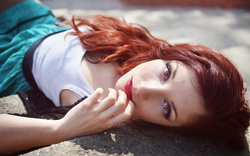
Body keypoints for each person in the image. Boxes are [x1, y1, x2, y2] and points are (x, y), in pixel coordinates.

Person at [0, 0, 249, 154]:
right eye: (166, 72)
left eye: (166, 108)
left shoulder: (98, 109)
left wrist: (59, 129)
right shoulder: (140, 49)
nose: (145, 89)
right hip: (35, 18)